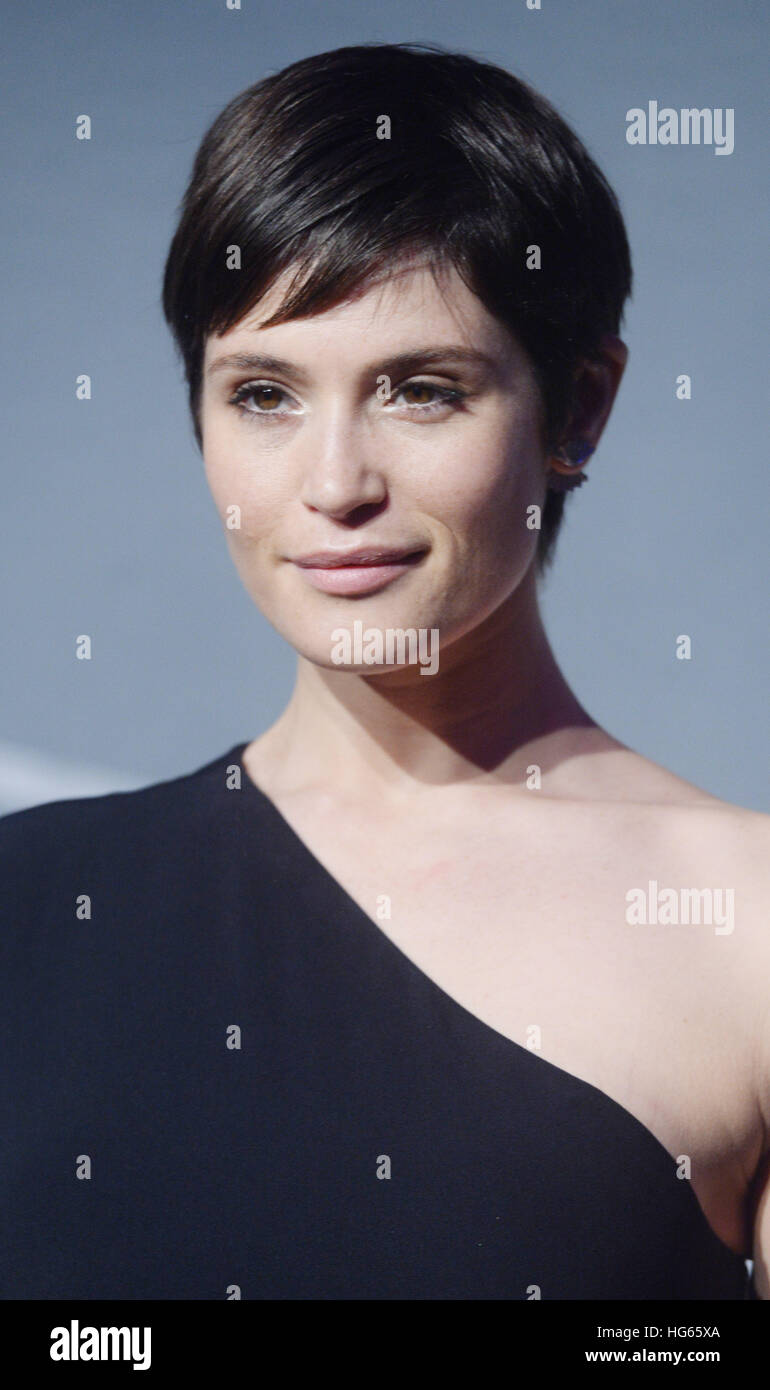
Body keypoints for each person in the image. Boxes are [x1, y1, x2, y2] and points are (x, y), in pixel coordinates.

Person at [1, 41, 768, 1301]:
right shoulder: (27, 905)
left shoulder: (742, 928)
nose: (335, 483)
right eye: (262, 394)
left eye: (419, 390)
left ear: (579, 409)